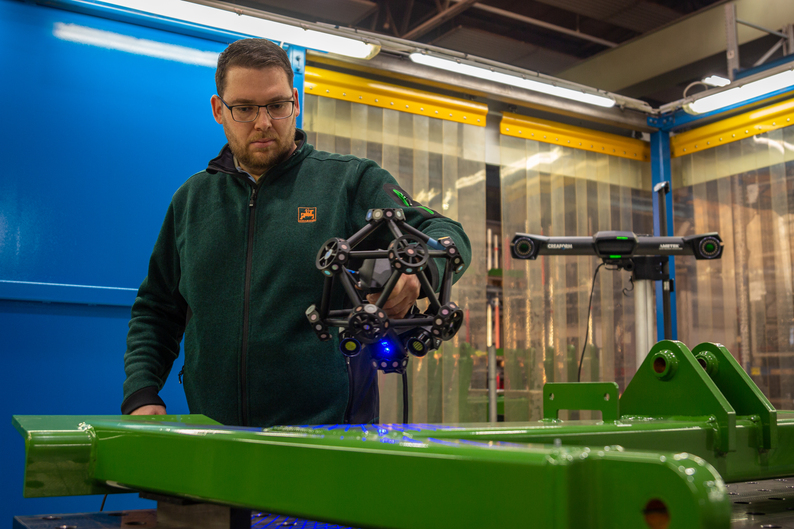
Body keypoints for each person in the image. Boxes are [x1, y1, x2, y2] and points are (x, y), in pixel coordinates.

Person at [122, 38, 471, 427]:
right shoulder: (192, 201)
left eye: (276, 105)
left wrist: (418, 276)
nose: (263, 122)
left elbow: (443, 232)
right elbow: (157, 308)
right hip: (215, 439)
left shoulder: (349, 181)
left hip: (328, 443)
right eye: (244, 109)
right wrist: (141, 391)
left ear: (296, 102)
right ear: (219, 110)